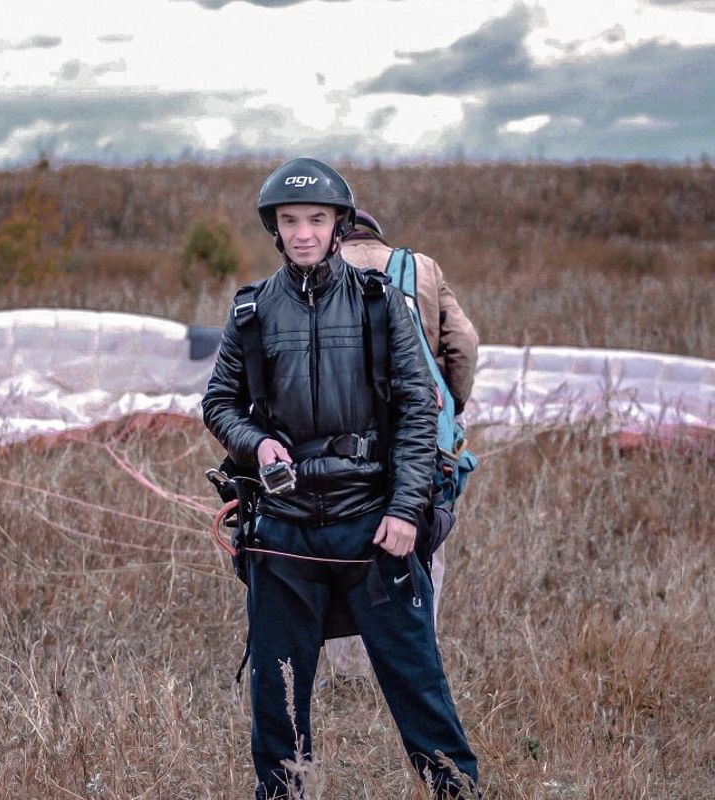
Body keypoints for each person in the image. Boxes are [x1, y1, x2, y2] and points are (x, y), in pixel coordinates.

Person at [202, 157, 479, 799]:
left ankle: (457, 791)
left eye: (317, 220)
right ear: (275, 229)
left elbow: (419, 405)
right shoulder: (251, 312)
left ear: (338, 226)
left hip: (373, 530)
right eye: (290, 220)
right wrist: (258, 441)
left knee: (418, 688)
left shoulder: (382, 306)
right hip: (283, 536)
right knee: (279, 704)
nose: (303, 232)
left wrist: (407, 512)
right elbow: (218, 403)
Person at [326, 209, 479, 678]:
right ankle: (413, 662)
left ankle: (347, 671)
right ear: (377, 236)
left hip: (339, 441)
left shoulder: (313, 272)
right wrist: (450, 404)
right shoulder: (421, 270)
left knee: (338, 545)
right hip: (423, 438)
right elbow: (464, 344)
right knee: (424, 539)